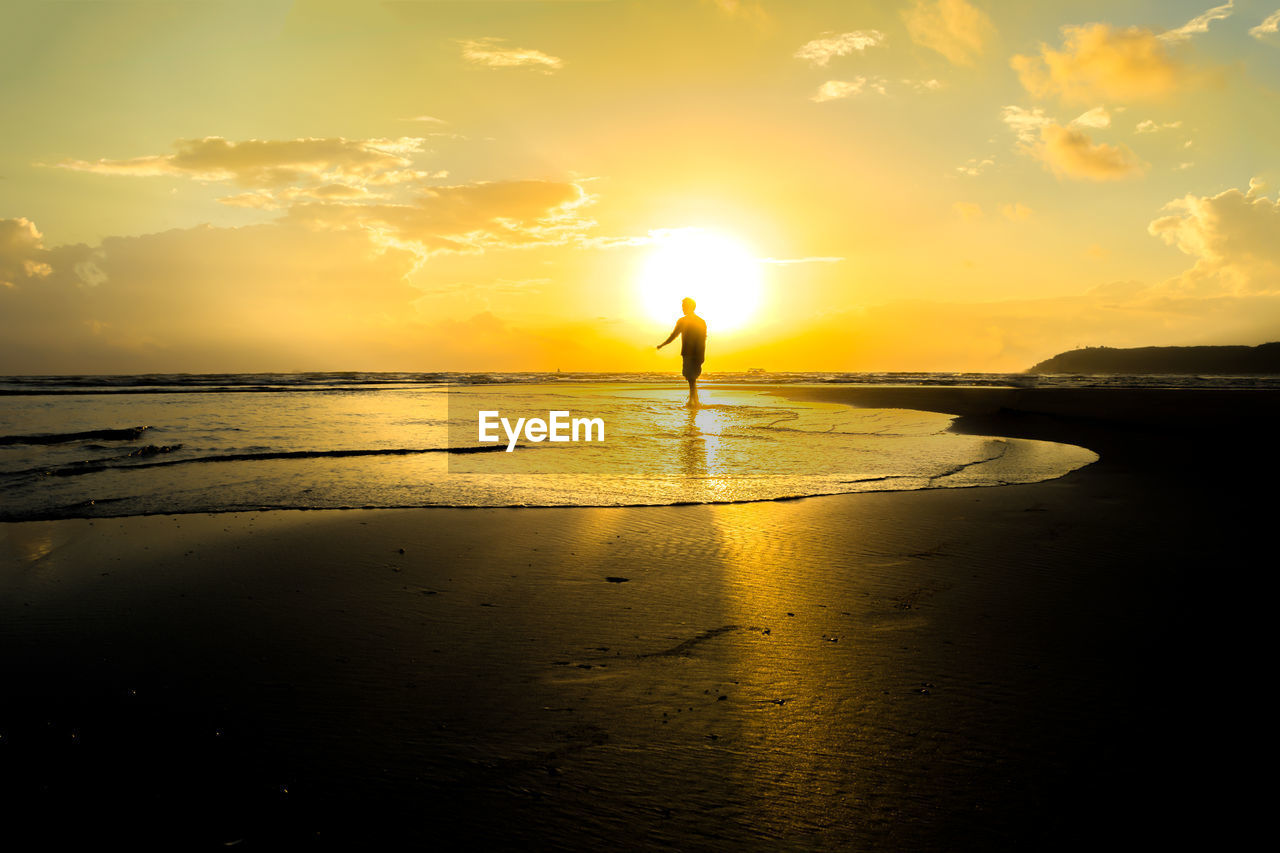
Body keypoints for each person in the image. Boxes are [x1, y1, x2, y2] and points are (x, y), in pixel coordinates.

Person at [656, 297, 707, 406]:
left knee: (691, 377)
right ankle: (694, 399)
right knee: (691, 378)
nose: (682, 308)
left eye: (684, 306)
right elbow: (703, 339)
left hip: (690, 353)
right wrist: (702, 355)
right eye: (682, 306)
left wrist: (662, 345)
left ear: (690, 307)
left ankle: (693, 400)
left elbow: (674, 335)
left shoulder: (687, 321)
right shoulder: (699, 321)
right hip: (695, 353)